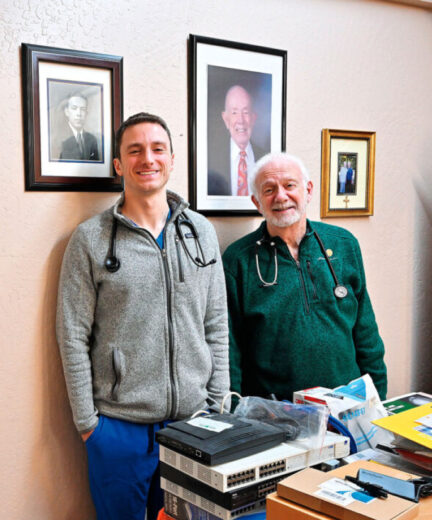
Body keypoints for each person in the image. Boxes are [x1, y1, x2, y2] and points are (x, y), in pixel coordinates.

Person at [56, 113, 229, 520]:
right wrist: (89, 424)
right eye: (134, 150)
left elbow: (216, 324)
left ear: (171, 159)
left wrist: (219, 404)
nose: (146, 159)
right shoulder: (91, 239)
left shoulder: (200, 233)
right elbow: (72, 335)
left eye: (157, 149)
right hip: (119, 428)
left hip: (196, 423)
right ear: (119, 165)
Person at [223, 152, 387, 402]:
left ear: (308, 190)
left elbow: (366, 332)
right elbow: (230, 349)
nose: (281, 196)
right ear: (257, 202)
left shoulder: (344, 245)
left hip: (347, 404)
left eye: (290, 185)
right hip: (275, 413)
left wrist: (379, 399)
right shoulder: (238, 260)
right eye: (269, 190)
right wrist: (233, 411)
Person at [208, 85, 267, 196]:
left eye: (245, 112)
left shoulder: (266, 159)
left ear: (253, 118)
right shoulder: (211, 158)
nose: (241, 120)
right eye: (234, 112)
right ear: (226, 119)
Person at [57, 93, 100, 161]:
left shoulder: (92, 139)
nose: (79, 114)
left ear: (86, 113)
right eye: (74, 108)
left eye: (82, 109)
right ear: (67, 111)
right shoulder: (58, 138)